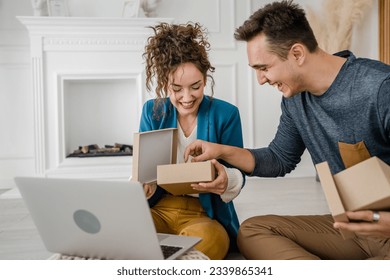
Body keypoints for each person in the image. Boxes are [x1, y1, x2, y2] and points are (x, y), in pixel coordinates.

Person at [184, 0, 390, 259]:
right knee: (252, 231)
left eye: (264, 68)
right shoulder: (295, 100)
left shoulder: (380, 88)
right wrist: (222, 150)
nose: (261, 80)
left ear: (297, 54)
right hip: (355, 227)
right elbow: (279, 159)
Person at [139, 22, 245, 259]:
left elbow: (239, 173)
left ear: (205, 80)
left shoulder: (226, 114)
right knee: (121, 231)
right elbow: (142, 171)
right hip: (158, 208)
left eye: (195, 87)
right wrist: (141, 184)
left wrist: (226, 179)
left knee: (212, 242)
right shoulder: (152, 111)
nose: (187, 98)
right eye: (176, 89)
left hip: (202, 214)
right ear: (165, 84)